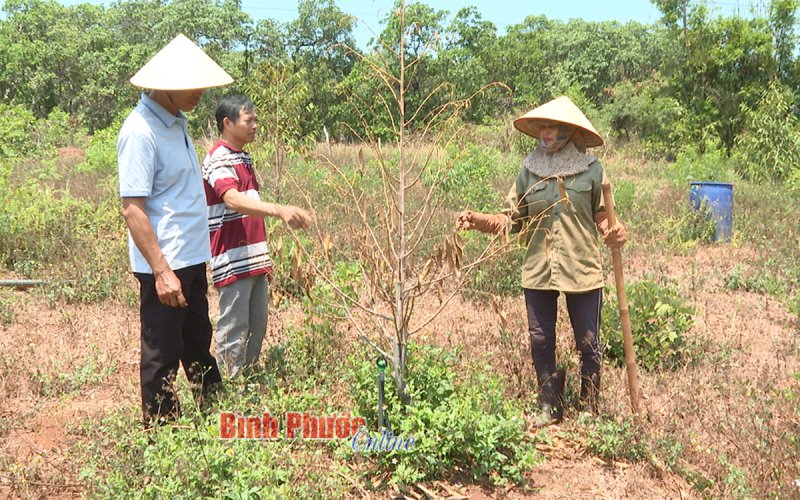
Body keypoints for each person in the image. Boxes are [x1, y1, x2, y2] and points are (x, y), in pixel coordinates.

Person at [457, 96, 627, 426]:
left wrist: (615, 231)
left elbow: (603, 215)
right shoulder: (528, 172)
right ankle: (550, 404)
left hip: (582, 268)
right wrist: (478, 220)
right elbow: (511, 220)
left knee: (589, 341)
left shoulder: (592, 171)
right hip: (538, 269)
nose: (546, 134)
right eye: (543, 128)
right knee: (540, 339)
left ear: (569, 132)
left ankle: (590, 407)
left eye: (554, 128)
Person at [117, 34, 232, 427]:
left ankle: (216, 415)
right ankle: (162, 437)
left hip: (190, 256)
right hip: (164, 264)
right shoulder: (140, 130)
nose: (200, 92)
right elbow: (133, 208)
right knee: (162, 352)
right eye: (193, 84)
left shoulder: (176, 123)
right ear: (166, 84)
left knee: (198, 341)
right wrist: (162, 270)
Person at [202, 95, 311, 378]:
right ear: (228, 123)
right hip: (232, 257)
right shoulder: (218, 158)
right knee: (234, 327)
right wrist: (279, 209)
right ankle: (230, 390)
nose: (255, 126)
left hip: (253, 257)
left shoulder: (242, 157)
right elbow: (233, 200)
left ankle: (247, 385)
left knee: (256, 326)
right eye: (249, 120)